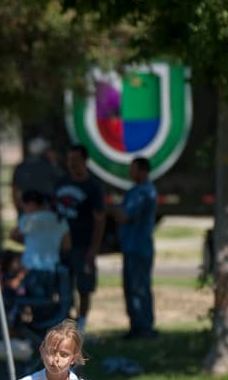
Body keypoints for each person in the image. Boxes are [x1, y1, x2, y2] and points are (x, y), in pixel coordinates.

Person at [55, 145, 106, 332]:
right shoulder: (61, 183)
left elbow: (99, 219)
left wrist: (93, 249)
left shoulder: (93, 187)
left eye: (76, 160)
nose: (72, 164)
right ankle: (65, 322)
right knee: (63, 285)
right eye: (70, 160)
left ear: (84, 161)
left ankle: (82, 323)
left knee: (84, 286)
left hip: (83, 245)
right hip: (62, 246)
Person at [111, 156, 158, 339]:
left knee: (139, 288)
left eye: (134, 169)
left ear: (143, 171)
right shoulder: (136, 191)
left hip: (139, 247)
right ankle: (136, 326)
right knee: (131, 288)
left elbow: (124, 215)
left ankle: (144, 327)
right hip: (131, 247)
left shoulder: (144, 192)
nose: (130, 172)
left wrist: (113, 209)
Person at [12, 136, 63, 214]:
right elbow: (62, 181)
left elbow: (14, 192)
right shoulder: (49, 166)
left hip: (27, 211)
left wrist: (21, 209)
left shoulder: (20, 167)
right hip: (47, 211)